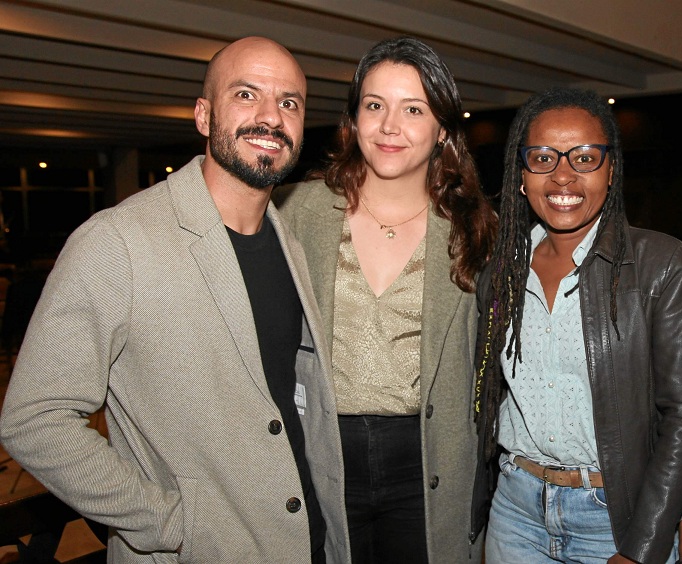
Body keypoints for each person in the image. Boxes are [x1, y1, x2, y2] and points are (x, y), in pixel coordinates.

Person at [0, 37, 350, 563]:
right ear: (204, 116)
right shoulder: (116, 242)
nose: (270, 117)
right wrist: (173, 523)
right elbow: (34, 419)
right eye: (246, 95)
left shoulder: (288, 242)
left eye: (289, 102)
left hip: (307, 542)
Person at [274, 37, 496, 563]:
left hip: (429, 464)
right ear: (354, 120)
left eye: (413, 109)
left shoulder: (474, 229)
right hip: (320, 453)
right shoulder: (298, 213)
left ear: (442, 128)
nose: (389, 126)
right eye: (375, 106)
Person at [470, 87, 682, 564]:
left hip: (613, 517)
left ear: (611, 169)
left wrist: (643, 546)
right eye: (542, 157)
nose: (563, 175)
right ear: (521, 175)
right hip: (515, 511)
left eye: (584, 157)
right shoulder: (500, 271)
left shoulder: (661, 264)